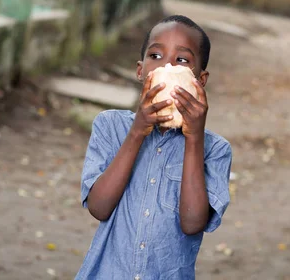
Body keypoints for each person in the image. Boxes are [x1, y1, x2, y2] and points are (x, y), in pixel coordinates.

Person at [75, 15, 232, 279]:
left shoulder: (215, 149)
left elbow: (192, 223)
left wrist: (194, 137)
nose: (168, 65)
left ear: (200, 80)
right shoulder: (110, 125)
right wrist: (137, 132)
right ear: (140, 71)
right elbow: (98, 208)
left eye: (182, 60)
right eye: (156, 55)